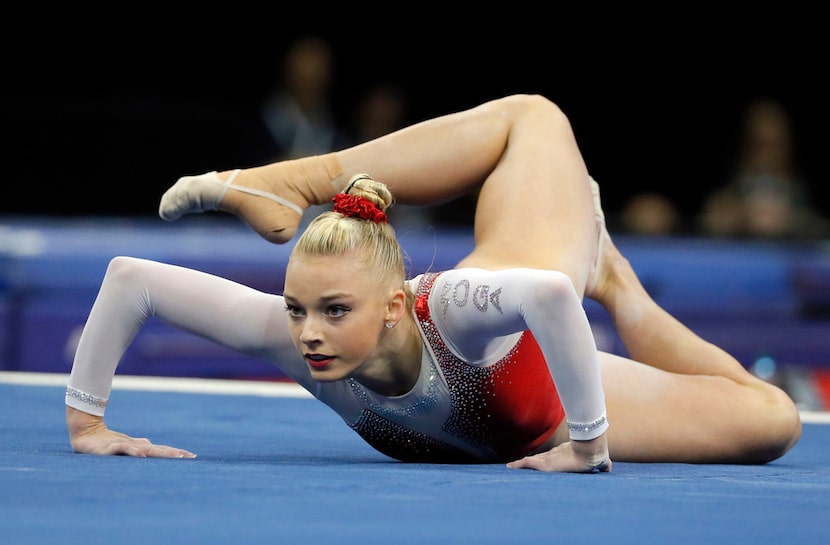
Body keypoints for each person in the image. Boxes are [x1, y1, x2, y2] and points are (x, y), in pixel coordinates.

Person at [65, 94, 802, 473]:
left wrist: (588, 443)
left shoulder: (448, 311)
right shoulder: (296, 341)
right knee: (771, 420)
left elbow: (547, 296)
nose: (308, 331)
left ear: (393, 307)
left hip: (534, 315)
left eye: (333, 309)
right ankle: (613, 273)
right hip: (544, 400)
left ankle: (296, 178)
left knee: (534, 117)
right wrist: (87, 425)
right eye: (296, 309)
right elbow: (132, 280)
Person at [698, 98, 826, 239]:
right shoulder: (730, 194)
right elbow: (706, 225)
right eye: (759, 146)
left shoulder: (801, 198)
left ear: (788, 147)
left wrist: (791, 221)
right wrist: (739, 216)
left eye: (774, 146)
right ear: (744, 147)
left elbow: (819, 234)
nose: (767, 156)